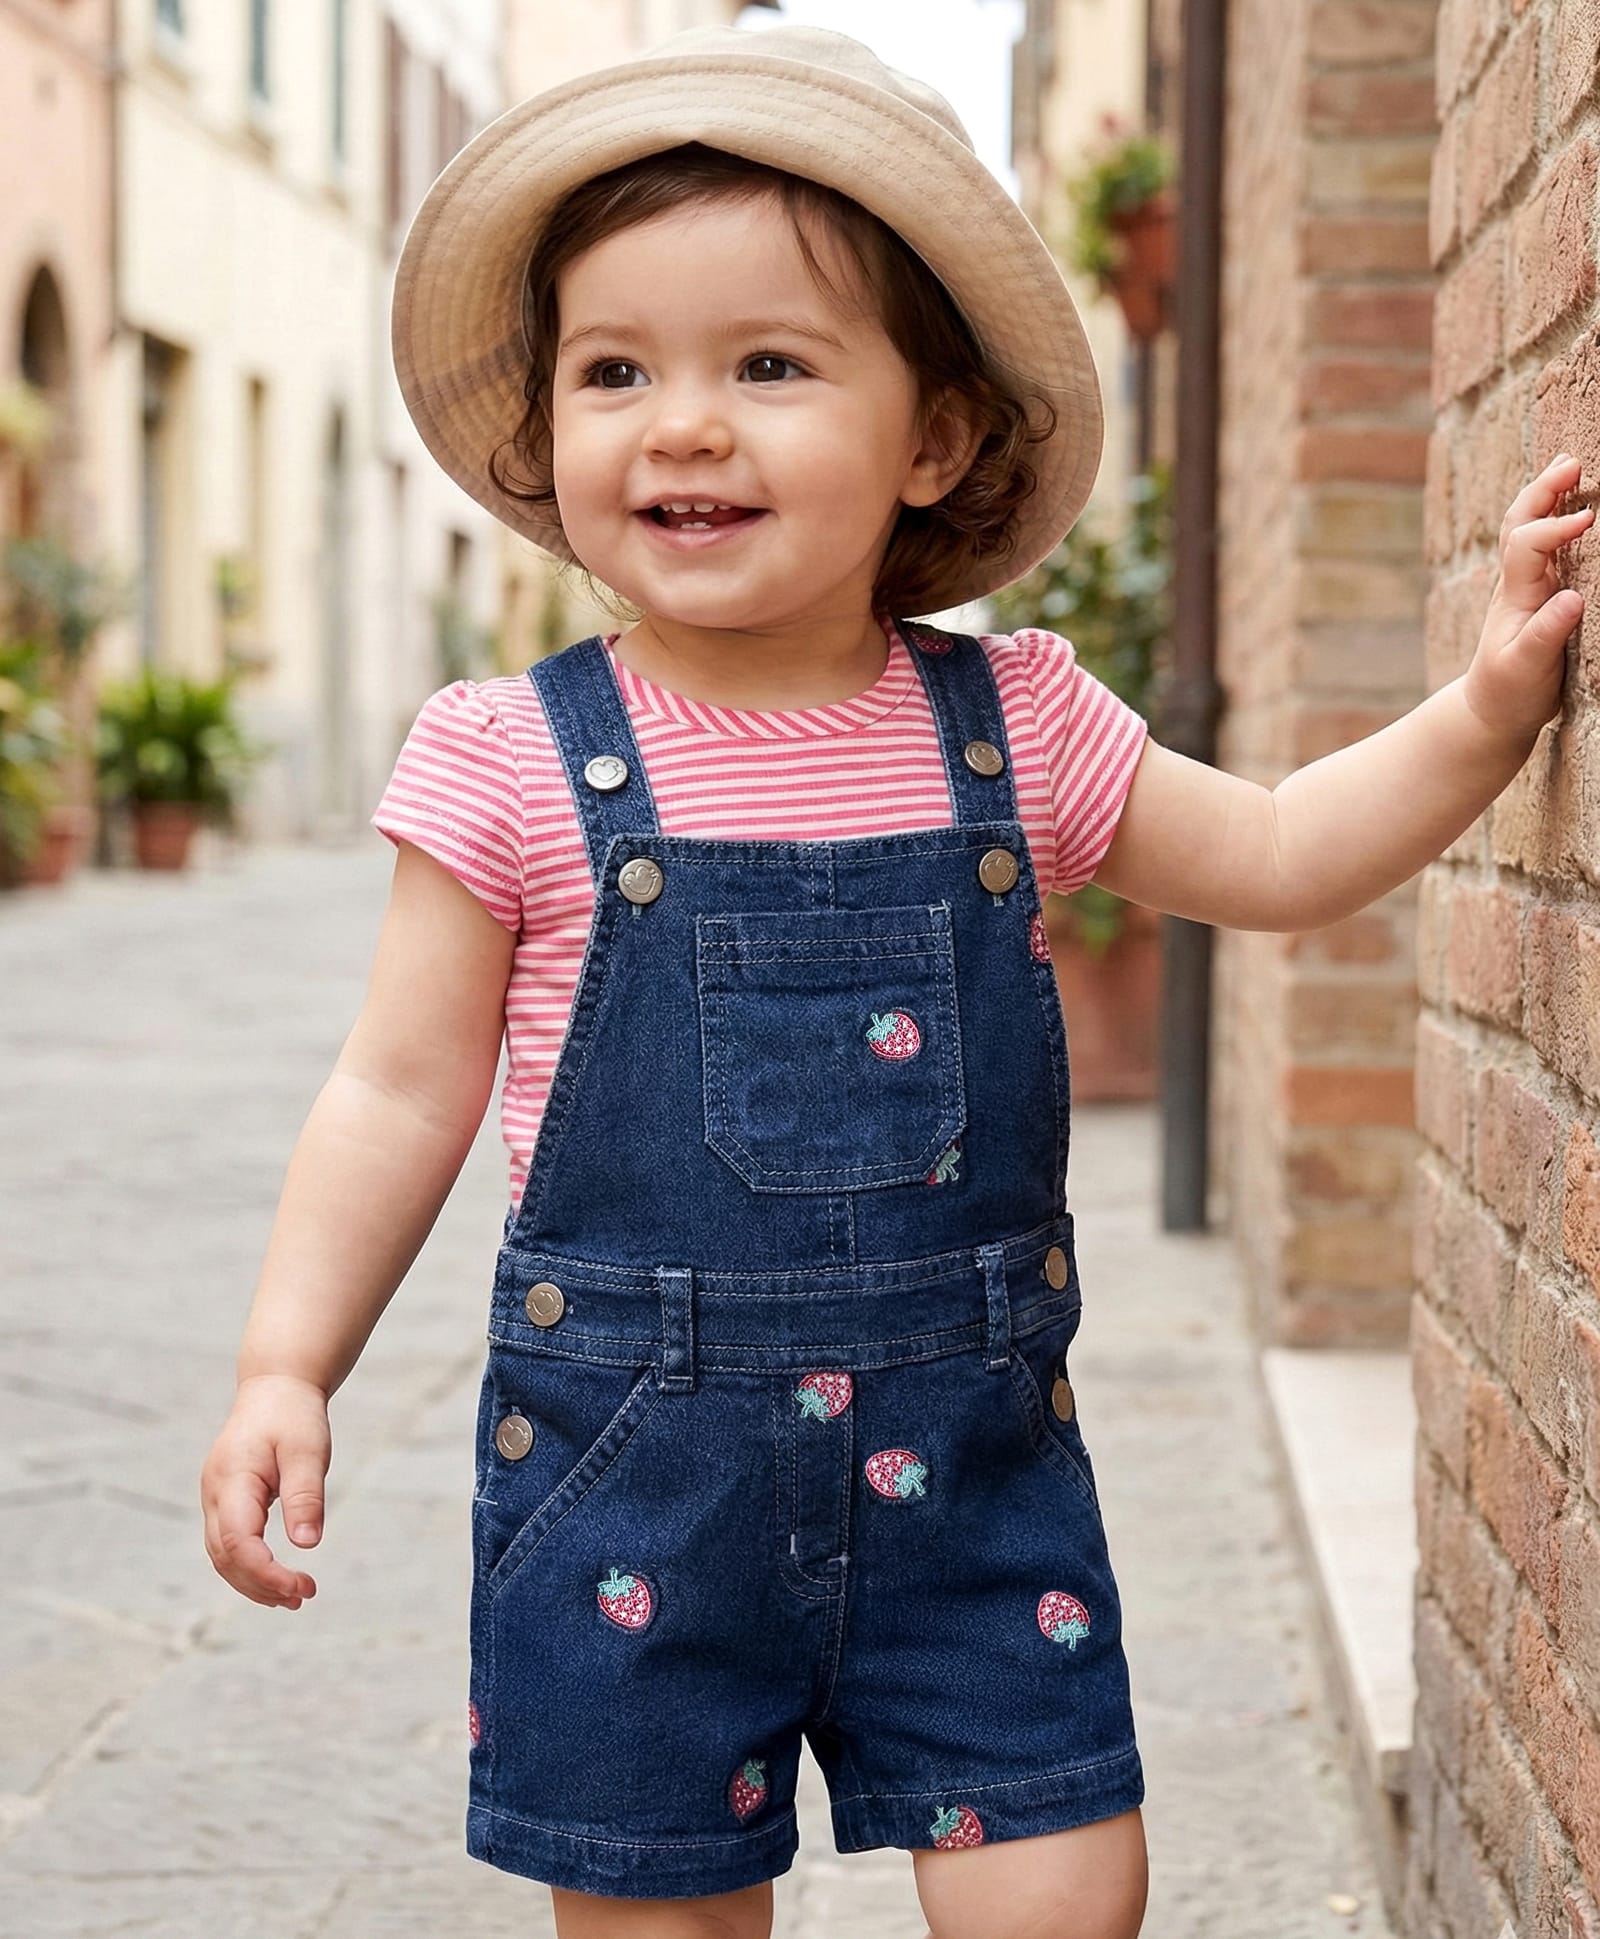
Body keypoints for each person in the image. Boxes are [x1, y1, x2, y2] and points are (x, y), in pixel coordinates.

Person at [198, 22, 1589, 1939]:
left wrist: (1493, 701)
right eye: (616, 372)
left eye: (768, 365)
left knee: (1067, 1895)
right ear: (549, 434)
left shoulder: (1016, 725)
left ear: (932, 438)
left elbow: (1275, 858)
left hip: (974, 1476)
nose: (683, 422)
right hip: (635, 1490)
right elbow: (396, 1089)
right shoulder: (509, 758)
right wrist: (292, 1359)